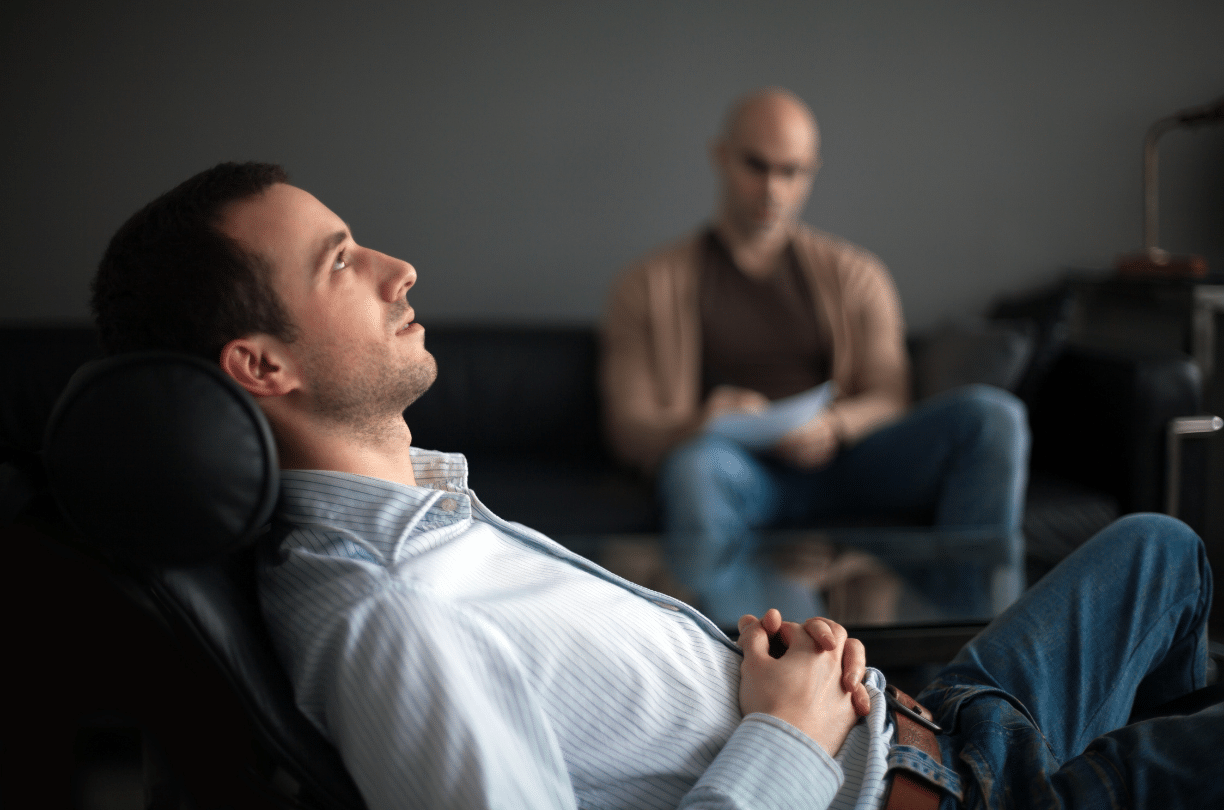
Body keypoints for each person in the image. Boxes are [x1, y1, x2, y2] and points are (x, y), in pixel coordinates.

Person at [91, 162, 1221, 809]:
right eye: (342, 261)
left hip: (934, 722)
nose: (399, 268)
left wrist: (762, 681)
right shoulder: (394, 618)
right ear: (263, 366)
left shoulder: (429, 528)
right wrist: (785, 737)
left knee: (1159, 547)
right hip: (938, 793)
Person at [601, 89, 1030, 627]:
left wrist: (835, 424)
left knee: (994, 419)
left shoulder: (856, 273)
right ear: (721, 156)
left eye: (793, 172)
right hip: (736, 469)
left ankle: (975, 657)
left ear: (812, 172)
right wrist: (702, 420)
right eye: (756, 166)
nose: (772, 189)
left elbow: (889, 394)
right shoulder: (647, 285)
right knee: (695, 469)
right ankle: (724, 666)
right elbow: (628, 428)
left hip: (848, 461)